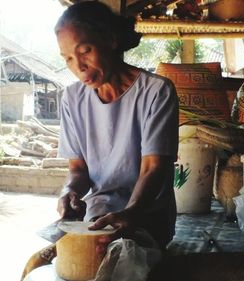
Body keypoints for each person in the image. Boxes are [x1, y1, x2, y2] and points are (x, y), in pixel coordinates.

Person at [55, 0, 179, 251]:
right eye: (68, 58)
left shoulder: (156, 91)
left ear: (110, 40)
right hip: (99, 214)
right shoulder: (72, 98)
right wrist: (70, 191)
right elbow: (78, 169)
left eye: (85, 50)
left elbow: (154, 167)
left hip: (147, 215)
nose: (78, 67)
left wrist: (132, 213)